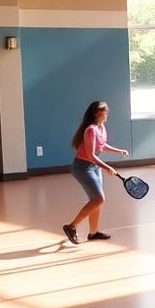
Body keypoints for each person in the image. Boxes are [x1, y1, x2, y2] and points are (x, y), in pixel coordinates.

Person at [62, 100, 128, 244]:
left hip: (94, 167)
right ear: (97, 113)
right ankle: (71, 227)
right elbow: (91, 155)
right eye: (105, 111)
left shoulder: (101, 127)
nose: (107, 113)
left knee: (96, 201)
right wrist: (107, 167)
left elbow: (102, 146)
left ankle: (93, 233)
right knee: (98, 199)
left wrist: (118, 151)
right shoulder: (90, 130)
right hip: (82, 167)